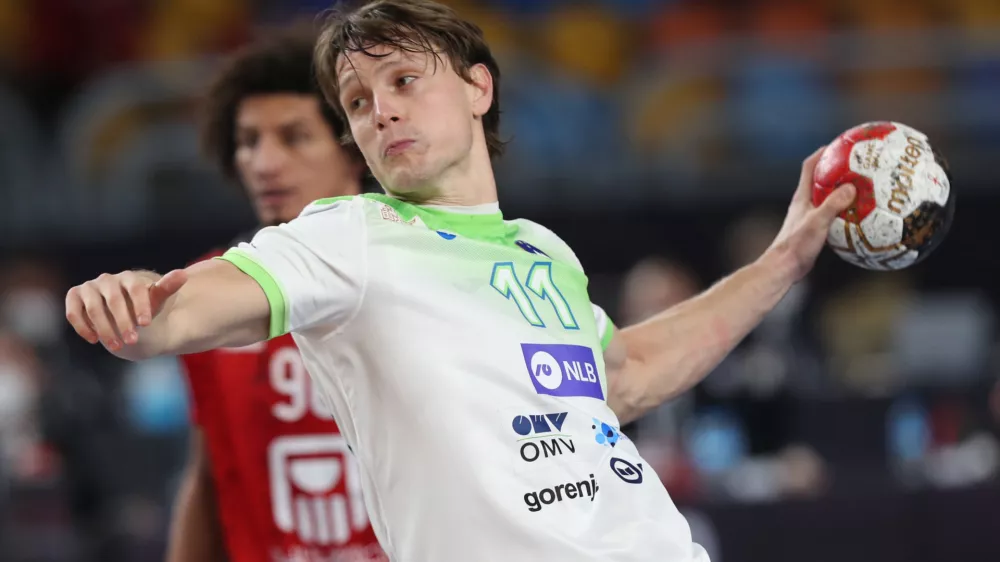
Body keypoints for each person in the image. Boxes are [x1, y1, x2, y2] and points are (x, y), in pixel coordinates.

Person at [64, 1, 857, 560]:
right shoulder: (350, 237)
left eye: (404, 81)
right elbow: (189, 312)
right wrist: (138, 309)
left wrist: (783, 259)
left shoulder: (543, 250)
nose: (380, 111)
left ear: (479, 87)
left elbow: (628, 373)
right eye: (358, 101)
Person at [161, 31, 385, 562]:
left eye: (294, 136)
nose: (264, 163)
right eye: (248, 141)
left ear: (354, 147)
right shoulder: (204, 291)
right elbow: (213, 471)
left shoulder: (419, 264)